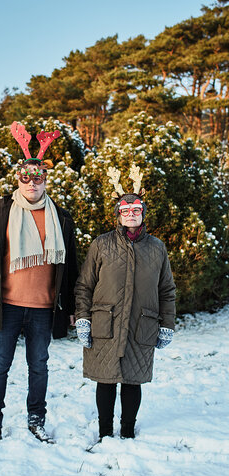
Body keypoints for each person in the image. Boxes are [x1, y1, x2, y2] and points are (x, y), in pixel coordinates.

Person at [0, 122, 78, 442]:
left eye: (38, 176)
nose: (32, 182)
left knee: (39, 367)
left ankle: (36, 418)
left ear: (46, 179)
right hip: (8, 305)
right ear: (18, 177)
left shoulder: (61, 217)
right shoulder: (3, 210)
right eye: (25, 176)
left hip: (44, 308)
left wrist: (71, 307)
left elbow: (70, 267)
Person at [74, 164, 176, 440]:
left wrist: (167, 324)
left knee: (133, 380)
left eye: (136, 211)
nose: (131, 215)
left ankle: (127, 430)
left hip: (141, 325)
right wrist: (83, 318)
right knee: (105, 380)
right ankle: (105, 432)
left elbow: (166, 289)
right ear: (118, 215)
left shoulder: (156, 248)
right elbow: (85, 284)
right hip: (105, 323)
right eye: (125, 211)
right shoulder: (101, 244)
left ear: (143, 214)